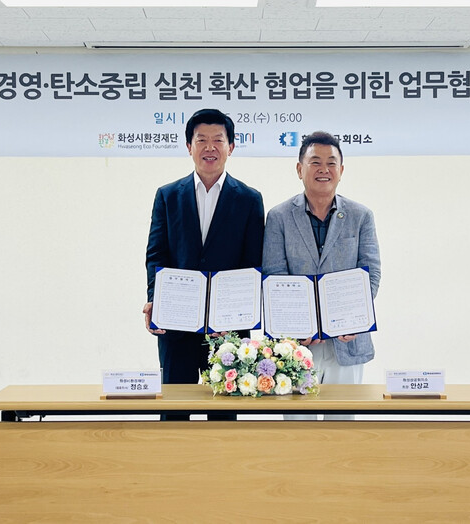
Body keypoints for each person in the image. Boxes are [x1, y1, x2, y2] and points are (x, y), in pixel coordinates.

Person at [144, 108, 265, 394]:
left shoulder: (249, 199)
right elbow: (156, 255)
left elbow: (252, 264)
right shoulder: (168, 196)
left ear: (231, 147)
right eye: (201, 140)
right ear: (189, 146)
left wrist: (235, 315)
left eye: (218, 140)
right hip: (176, 326)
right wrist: (155, 300)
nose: (210, 147)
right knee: (174, 408)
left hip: (228, 331)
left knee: (223, 412)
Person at [262, 131, 381, 418]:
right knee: (298, 428)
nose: (323, 169)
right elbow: (274, 275)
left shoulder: (360, 215)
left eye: (331, 163)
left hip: (347, 342)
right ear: (299, 169)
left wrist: (354, 319)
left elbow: (371, 273)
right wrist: (296, 326)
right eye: (315, 162)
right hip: (296, 345)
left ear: (341, 170)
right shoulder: (279, 217)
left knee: (342, 426)